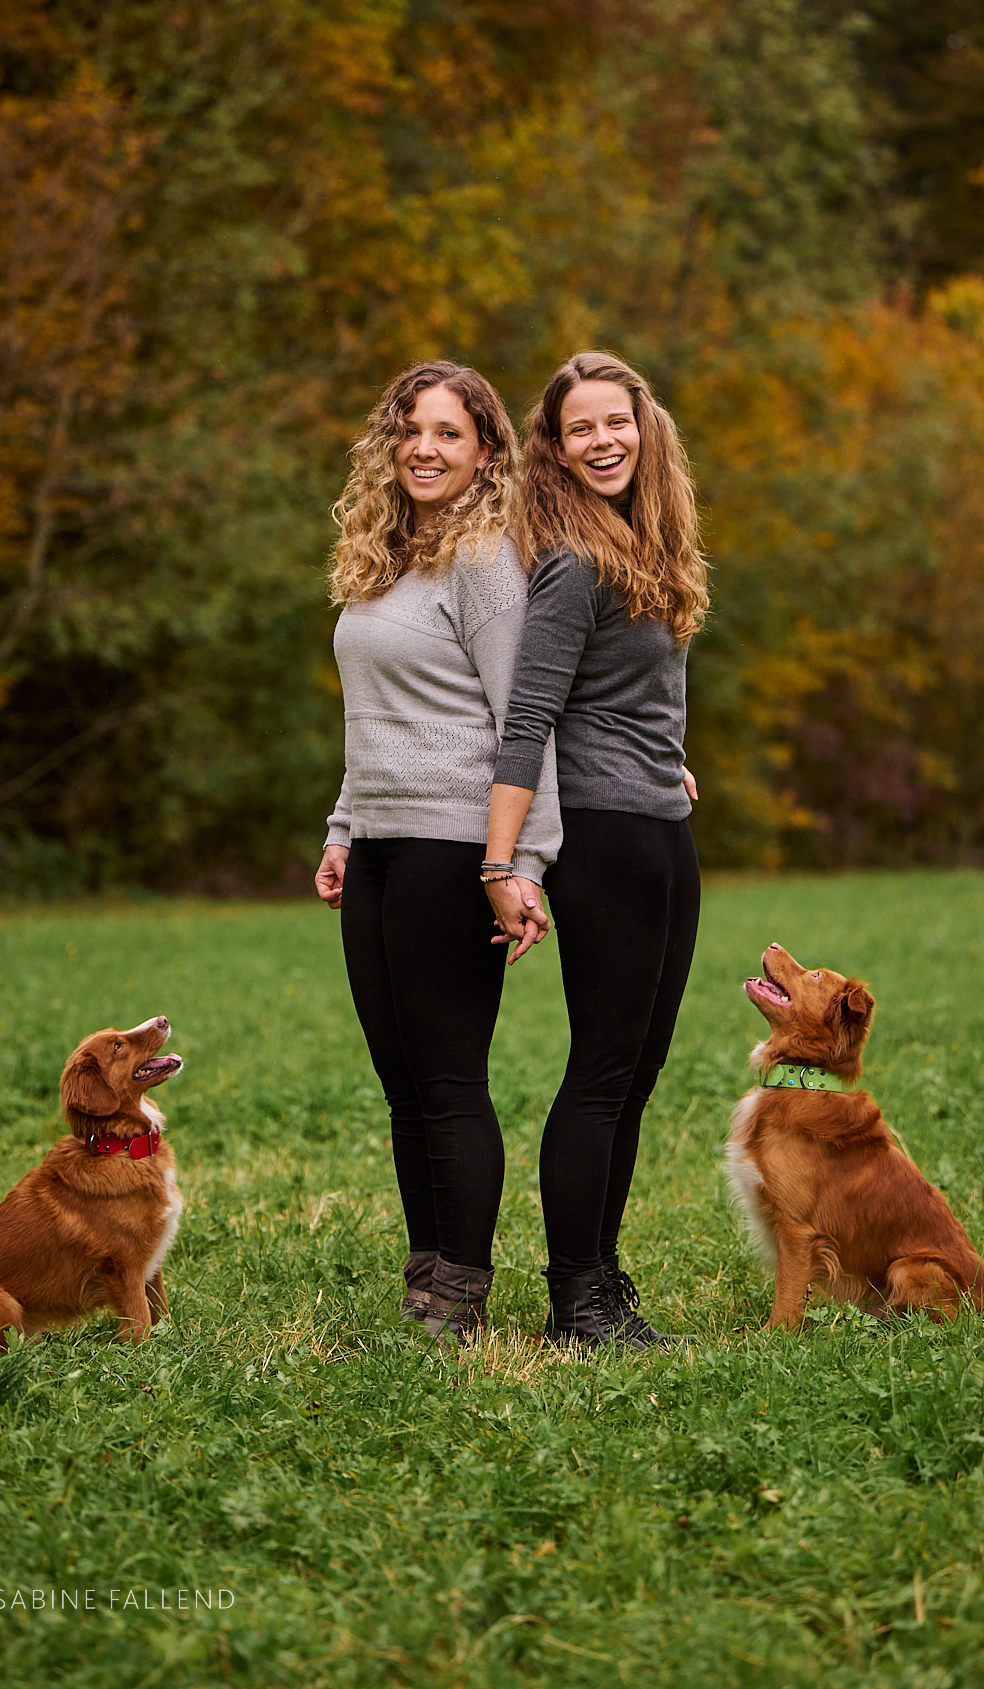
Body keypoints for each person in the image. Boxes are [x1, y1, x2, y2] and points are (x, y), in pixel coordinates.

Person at [314, 361, 559, 1342]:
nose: (424, 446)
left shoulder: (486, 560)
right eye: (410, 429)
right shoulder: (385, 558)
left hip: (454, 846)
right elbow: (372, 717)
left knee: (448, 1077)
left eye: (449, 432)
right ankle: (426, 1278)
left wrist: (519, 864)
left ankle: (457, 1292)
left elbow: (525, 721)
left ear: (486, 450)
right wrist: (340, 826)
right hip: (377, 843)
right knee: (402, 1080)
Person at [484, 350, 708, 1348]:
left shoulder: (641, 543)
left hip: (660, 822)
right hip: (607, 838)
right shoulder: (571, 561)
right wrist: (504, 863)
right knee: (604, 1068)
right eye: (581, 428)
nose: (603, 440)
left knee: (641, 1067)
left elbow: (628, 694)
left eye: (616, 422)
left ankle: (602, 1284)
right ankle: (576, 1296)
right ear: (555, 445)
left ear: (643, 426)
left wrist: (671, 762)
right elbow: (530, 712)